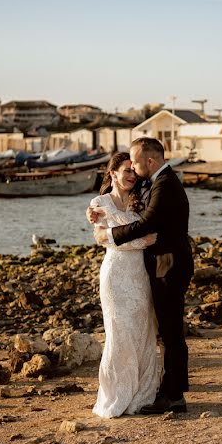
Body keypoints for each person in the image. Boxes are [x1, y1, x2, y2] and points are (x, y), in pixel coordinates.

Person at [90, 137, 193, 414]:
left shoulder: (165, 185)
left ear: (149, 161)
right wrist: (101, 220)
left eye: (135, 163)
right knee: (159, 331)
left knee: (169, 333)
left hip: (167, 267)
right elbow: (136, 220)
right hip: (148, 268)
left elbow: (147, 225)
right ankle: (164, 390)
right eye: (128, 167)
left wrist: (108, 234)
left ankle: (173, 396)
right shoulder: (152, 184)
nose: (133, 170)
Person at [89, 152, 161, 418]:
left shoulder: (139, 202)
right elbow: (101, 238)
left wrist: (115, 236)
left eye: (134, 171)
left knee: (142, 332)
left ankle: (142, 395)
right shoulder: (99, 203)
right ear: (113, 173)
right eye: (126, 170)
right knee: (119, 333)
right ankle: (116, 393)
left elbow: (112, 236)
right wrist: (140, 242)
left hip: (139, 275)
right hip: (115, 275)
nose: (132, 175)